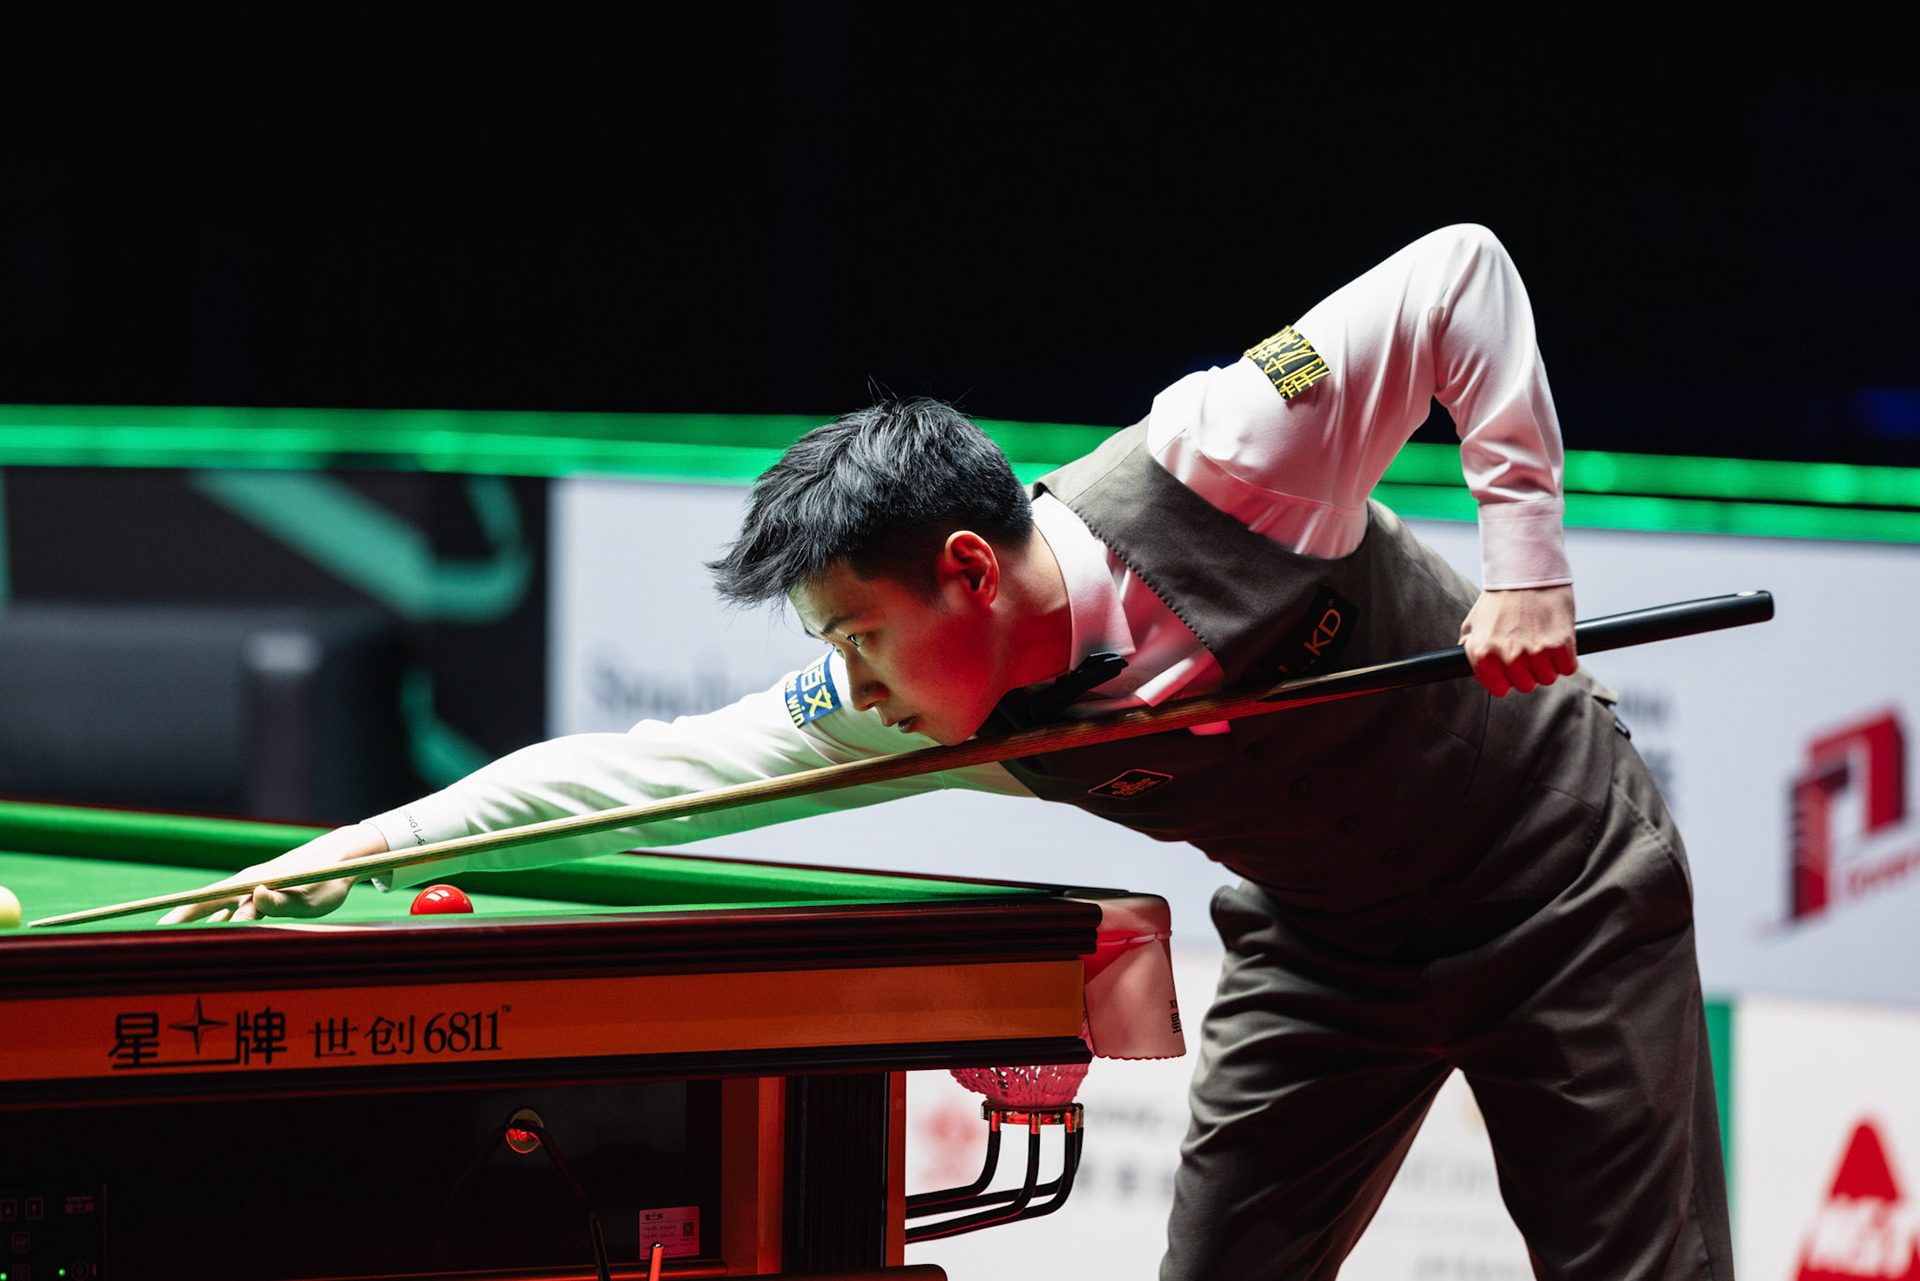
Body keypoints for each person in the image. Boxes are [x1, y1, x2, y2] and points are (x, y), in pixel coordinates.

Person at [167, 224, 1733, 1280]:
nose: (848, 680)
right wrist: (369, 846)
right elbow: (640, 774)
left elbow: (1460, 276)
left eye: (861, 635)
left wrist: (1529, 568)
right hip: (1333, 950)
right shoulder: (904, 691)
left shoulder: (1225, 454)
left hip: (1557, 889)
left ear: (970, 570)